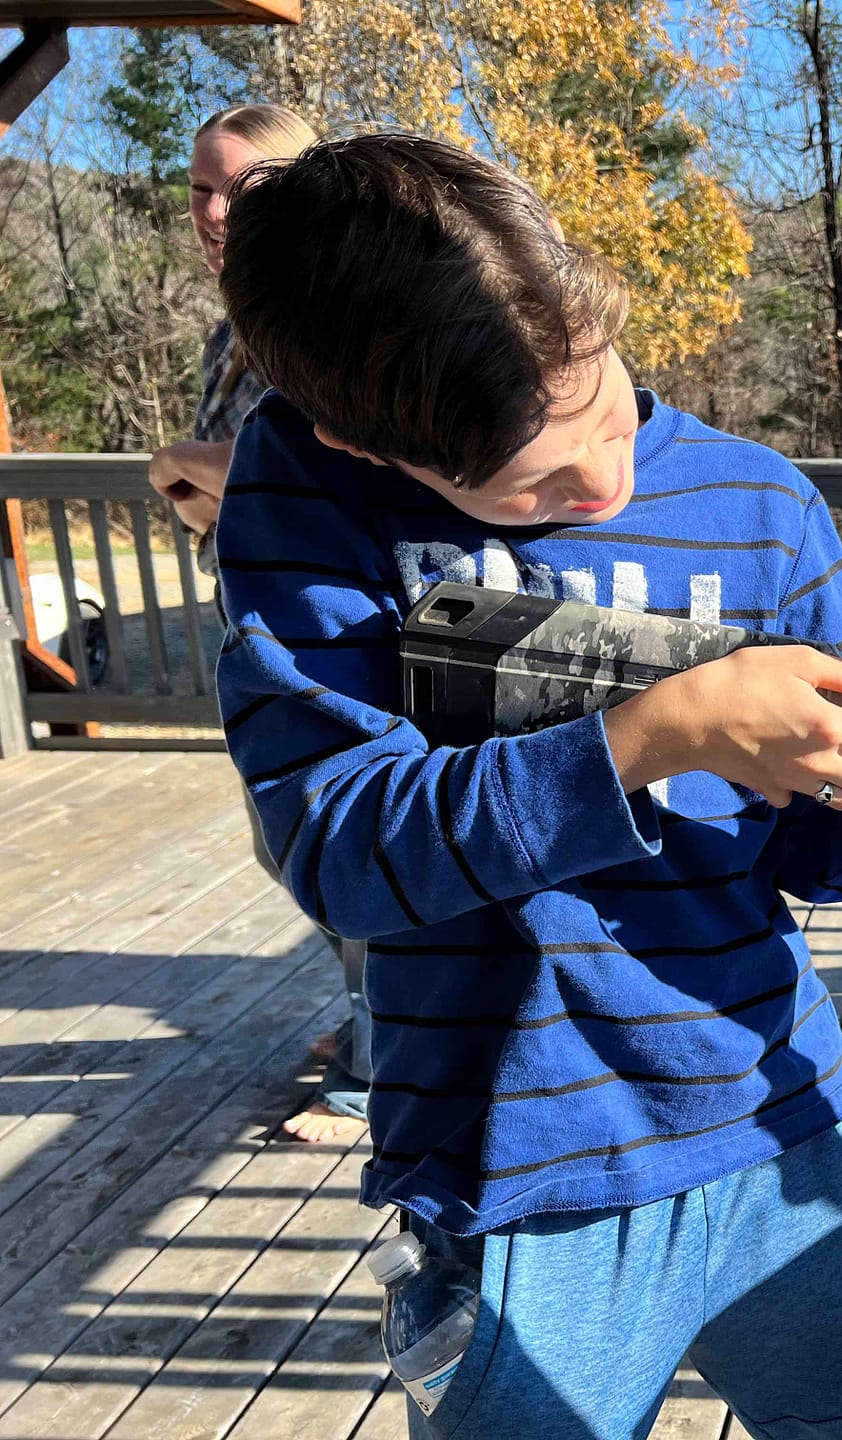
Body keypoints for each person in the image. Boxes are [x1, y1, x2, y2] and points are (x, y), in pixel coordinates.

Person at [212, 133, 842, 1439]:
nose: (609, 479)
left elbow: (830, 841)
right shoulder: (307, 497)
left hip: (784, 1119)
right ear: (366, 446)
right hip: (519, 1185)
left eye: (607, 401)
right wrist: (653, 737)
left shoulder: (764, 503)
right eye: (538, 484)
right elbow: (342, 848)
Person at [142, 103, 374, 1142]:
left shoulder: (336, 315)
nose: (217, 209)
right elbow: (227, 501)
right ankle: (381, 1022)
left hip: (349, 634)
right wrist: (208, 484)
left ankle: (382, 1061)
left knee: (350, 831)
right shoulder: (229, 329)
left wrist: (180, 468)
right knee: (286, 844)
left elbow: (307, 472)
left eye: (247, 186)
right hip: (262, 628)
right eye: (202, 186)